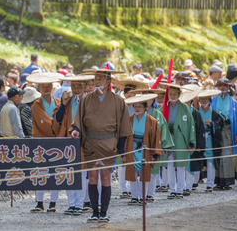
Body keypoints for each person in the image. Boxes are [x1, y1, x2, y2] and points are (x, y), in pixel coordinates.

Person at [71, 68, 132, 223]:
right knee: (92, 176)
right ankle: (94, 211)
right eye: (95, 78)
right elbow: (78, 119)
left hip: (108, 142)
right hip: (90, 142)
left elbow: (124, 126)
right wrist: (76, 130)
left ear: (108, 81)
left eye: (100, 78)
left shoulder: (118, 101)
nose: (96, 81)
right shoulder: (86, 99)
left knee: (105, 177)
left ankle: (103, 211)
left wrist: (121, 149)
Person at [53, 75, 94, 215]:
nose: (76, 89)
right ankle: (71, 204)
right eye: (74, 86)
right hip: (68, 141)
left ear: (84, 87)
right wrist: (63, 105)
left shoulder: (89, 100)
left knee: (81, 173)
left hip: (84, 140)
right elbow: (58, 120)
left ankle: (79, 204)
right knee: (69, 173)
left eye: (79, 86)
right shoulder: (67, 101)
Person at [27, 73, 61, 213]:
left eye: (49, 85)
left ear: (52, 87)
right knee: (40, 172)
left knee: (55, 172)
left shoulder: (58, 102)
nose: (46, 88)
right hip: (41, 142)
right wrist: (57, 127)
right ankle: (39, 202)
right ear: (39, 88)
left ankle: (53, 202)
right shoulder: (36, 104)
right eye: (43, 86)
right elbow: (46, 123)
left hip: (57, 142)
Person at [123, 94, 162, 205]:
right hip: (132, 149)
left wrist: (155, 154)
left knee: (144, 174)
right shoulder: (129, 120)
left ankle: (143, 196)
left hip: (145, 150)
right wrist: (124, 153)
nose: (137, 108)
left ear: (146, 107)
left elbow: (156, 137)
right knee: (132, 173)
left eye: (140, 106)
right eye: (135, 106)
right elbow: (125, 137)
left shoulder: (152, 121)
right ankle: (134, 196)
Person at [160, 83, 195, 199]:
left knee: (180, 166)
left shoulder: (184, 108)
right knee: (169, 165)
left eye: (175, 94)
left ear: (179, 95)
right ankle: (172, 190)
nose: (173, 96)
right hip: (168, 138)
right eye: (170, 94)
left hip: (180, 139)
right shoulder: (164, 108)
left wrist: (191, 142)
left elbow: (191, 125)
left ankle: (180, 190)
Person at [210, 78, 237, 190]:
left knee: (227, 155)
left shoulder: (234, 103)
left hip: (228, 130)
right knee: (217, 155)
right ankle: (218, 181)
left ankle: (227, 181)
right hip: (216, 130)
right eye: (220, 86)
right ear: (217, 87)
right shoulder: (212, 101)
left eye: (225, 86)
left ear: (229, 87)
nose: (222, 88)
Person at [179, 87, 205, 196]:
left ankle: (188, 187)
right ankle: (180, 187)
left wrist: (199, 144)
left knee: (190, 165)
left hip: (192, 142)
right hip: (180, 141)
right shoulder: (178, 112)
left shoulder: (196, 113)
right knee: (181, 166)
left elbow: (200, 130)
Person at [197, 89, 224, 192]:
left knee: (210, 162)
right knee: (195, 161)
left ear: (209, 99)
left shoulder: (214, 113)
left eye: (205, 99)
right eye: (201, 99)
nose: (203, 101)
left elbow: (220, 124)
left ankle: (209, 185)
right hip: (199, 139)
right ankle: (193, 184)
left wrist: (212, 124)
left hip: (210, 140)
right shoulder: (196, 112)